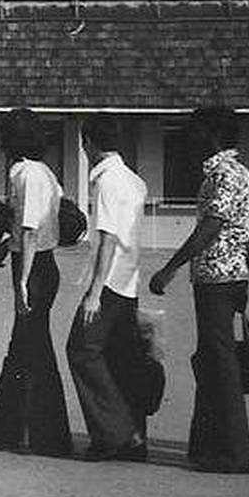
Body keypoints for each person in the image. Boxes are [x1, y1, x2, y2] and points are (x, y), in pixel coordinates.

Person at [148, 106, 249, 474]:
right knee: (212, 361)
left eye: (195, 132)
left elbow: (211, 227)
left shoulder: (223, 175)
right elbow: (246, 233)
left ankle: (236, 453)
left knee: (220, 364)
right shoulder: (241, 173)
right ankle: (208, 446)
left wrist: (169, 268)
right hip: (230, 276)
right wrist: (245, 278)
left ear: (211, 135)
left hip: (216, 278)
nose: (189, 139)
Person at [0, 107, 73, 456]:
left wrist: (22, 280)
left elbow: (31, 229)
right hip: (38, 263)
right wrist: (8, 245)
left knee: (34, 350)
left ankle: (47, 436)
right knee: (24, 348)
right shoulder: (44, 172)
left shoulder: (26, 174)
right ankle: (7, 429)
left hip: (33, 267)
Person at [67, 113, 152, 462]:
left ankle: (118, 433)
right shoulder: (133, 180)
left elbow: (107, 239)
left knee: (82, 350)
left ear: (88, 143)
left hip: (110, 281)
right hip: (129, 279)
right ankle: (130, 437)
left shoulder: (106, 181)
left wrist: (94, 293)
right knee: (119, 359)